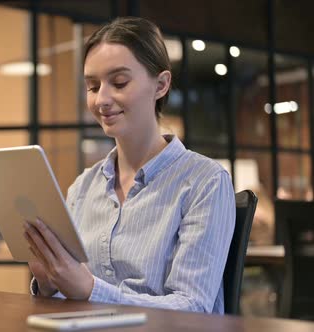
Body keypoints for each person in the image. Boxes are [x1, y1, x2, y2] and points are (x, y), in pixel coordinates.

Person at [23, 17, 235, 314]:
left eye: (119, 83)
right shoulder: (83, 187)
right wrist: (50, 284)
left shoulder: (205, 182)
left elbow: (193, 308)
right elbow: (71, 302)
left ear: (161, 85)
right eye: (92, 86)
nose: (102, 100)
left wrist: (89, 290)